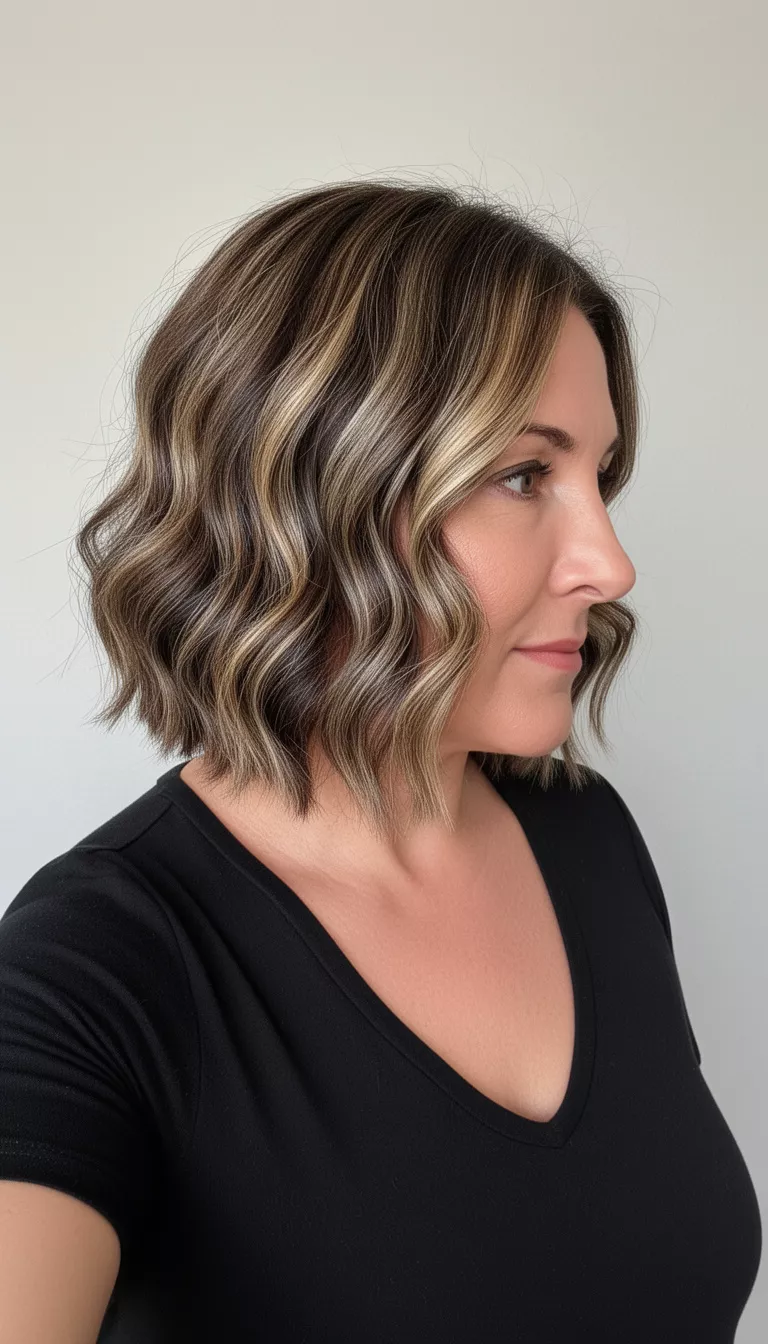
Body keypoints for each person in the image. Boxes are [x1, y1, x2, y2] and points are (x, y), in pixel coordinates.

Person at [0, 179, 761, 1342]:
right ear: (308, 497)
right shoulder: (94, 974)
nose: (609, 563)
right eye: (524, 477)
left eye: (600, 479)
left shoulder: (586, 835)